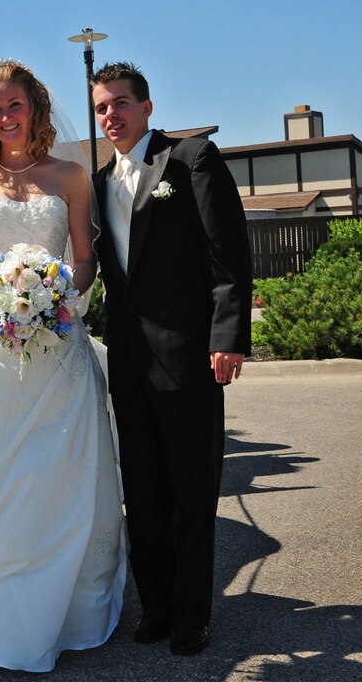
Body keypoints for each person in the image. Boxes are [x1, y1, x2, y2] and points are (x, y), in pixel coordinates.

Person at [0, 59, 127, 672]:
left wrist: (57, 289)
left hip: (56, 347)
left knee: (55, 476)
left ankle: (67, 612)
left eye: (15, 105)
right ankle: (1, 611)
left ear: (34, 107)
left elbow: (87, 260)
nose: (5, 117)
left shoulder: (71, 176)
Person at [90, 62, 252, 656]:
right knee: (145, 497)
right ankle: (154, 609)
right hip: (128, 363)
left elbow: (226, 253)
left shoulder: (190, 160)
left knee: (192, 493)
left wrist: (228, 335)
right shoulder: (99, 181)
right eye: (103, 106)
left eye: (122, 103)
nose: (112, 115)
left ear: (148, 107)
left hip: (191, 359)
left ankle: (190, 617)